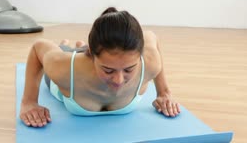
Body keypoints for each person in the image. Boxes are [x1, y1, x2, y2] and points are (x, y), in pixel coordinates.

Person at [20, 7, 181, 127]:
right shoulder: (63, 68)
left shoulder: (151, 62)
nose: (119, 80)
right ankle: (69, 47)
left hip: (90, 55)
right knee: (64, 51)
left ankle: (81, 48)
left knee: (88, 53)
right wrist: (29, 102)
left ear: (140, 55)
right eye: (108, 70)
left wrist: (164, 92)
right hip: (73, 70)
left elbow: (151, 36)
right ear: (92, 55)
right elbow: (38, 47)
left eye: (129, 69)